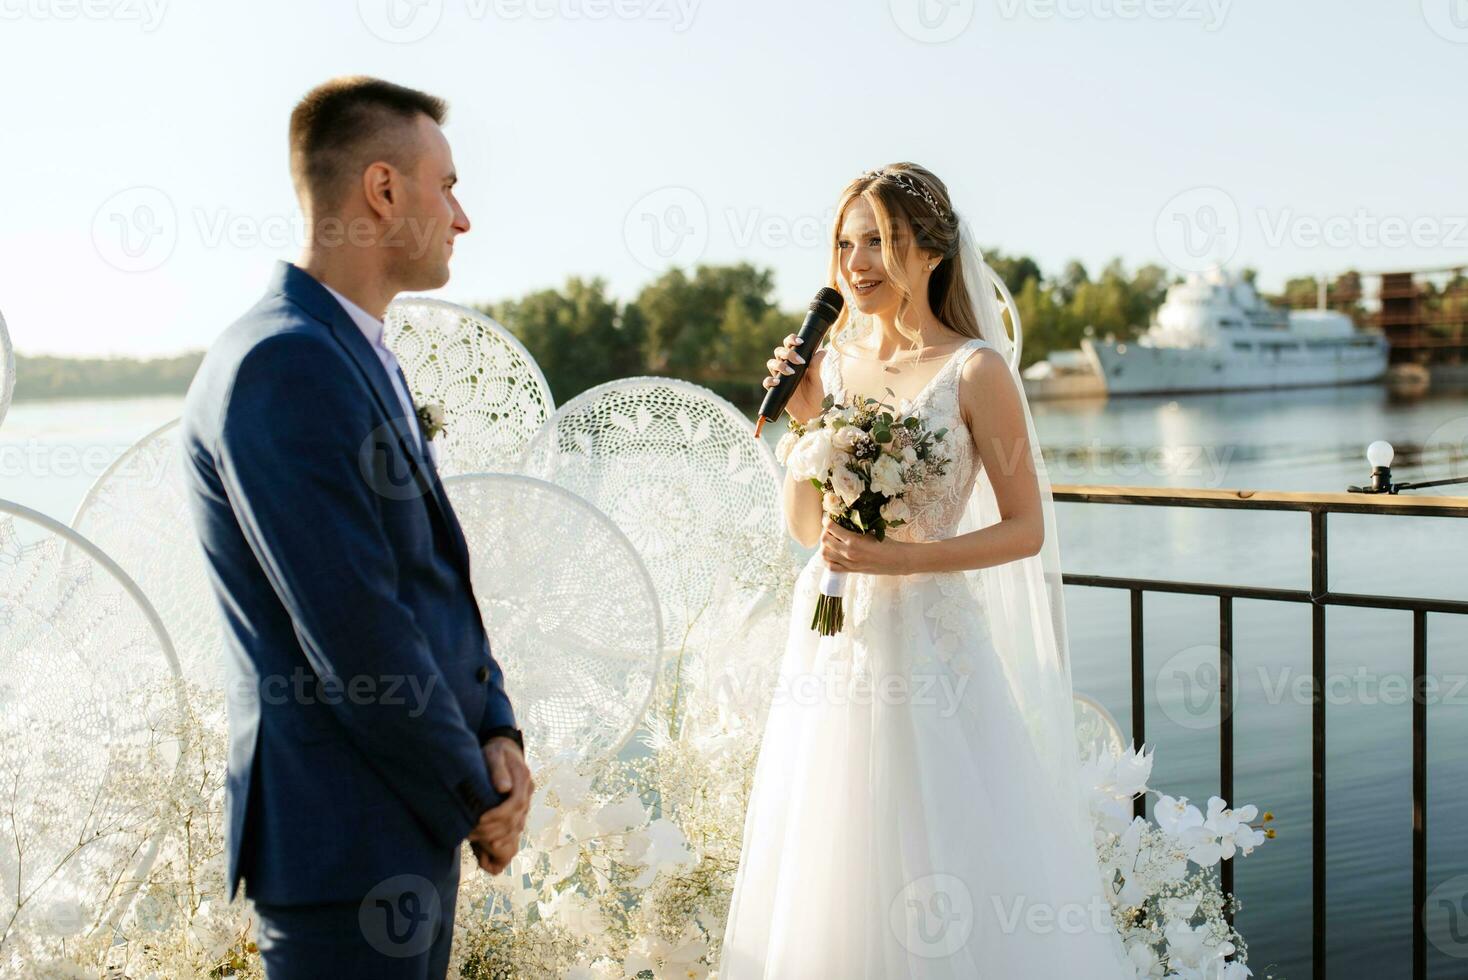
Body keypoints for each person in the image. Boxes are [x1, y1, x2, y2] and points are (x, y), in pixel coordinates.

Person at [721, 163, 1132, 977]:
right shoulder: (829, 365)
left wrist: (906, 558)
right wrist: (805, 423)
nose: (858, 262)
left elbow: (1025, 530)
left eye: (880, 240)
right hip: (833, 643)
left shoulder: (975, 371)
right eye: (846, 243)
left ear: (932, 253)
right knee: (833, 855)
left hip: (935, 649)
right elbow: (810, 530)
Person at [180, 76, 532, 979]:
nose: (461, 217)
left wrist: (499, 732)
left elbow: (429, 581)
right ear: (382, 190)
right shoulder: (283, 362)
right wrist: (473, 794)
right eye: (446, 185)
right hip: (343, 844)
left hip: (399, 826)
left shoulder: (351, 348)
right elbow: (352, 623)